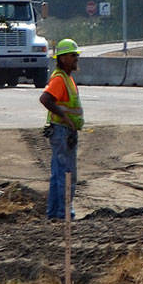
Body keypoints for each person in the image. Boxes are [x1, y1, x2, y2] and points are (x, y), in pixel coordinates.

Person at [38, 39, 84, 221]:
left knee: (63, 173)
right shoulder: (59, 79)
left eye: (76, 55)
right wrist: (65, 118)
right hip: (61, 131)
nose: (76, 59)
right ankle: (62, 214)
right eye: (73, 55)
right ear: (63, 58)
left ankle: (57, 213)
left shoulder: (67, 78)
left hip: (66, 131)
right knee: (64, 174)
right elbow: (45, 99)